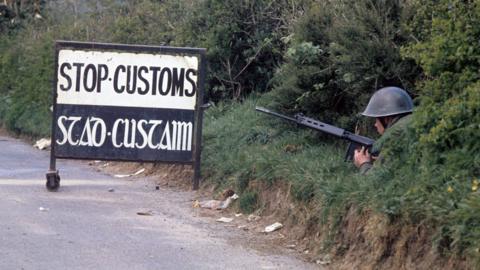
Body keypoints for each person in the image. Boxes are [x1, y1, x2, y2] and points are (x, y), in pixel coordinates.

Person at [353, 86, 414, 174]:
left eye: (377, 120)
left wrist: (363, 163)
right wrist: (381, 160)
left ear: (386, 119)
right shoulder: (413, 122)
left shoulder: (395, 134)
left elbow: (373, 180)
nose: (375, 124)